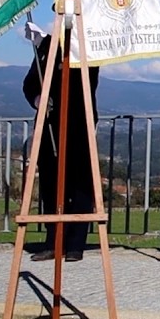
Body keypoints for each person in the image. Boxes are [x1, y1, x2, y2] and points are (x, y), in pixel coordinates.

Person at [23, 30, 100, 262]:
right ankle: (53, 241)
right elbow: (30, 83)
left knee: (79, 185)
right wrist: (37, 99)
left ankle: (76, 243)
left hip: (78, 123)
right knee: (50, 185)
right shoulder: (46, 49)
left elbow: (77, 78)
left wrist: (47, 42)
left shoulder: (87, 46)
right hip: (49, 125)